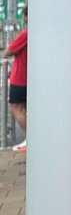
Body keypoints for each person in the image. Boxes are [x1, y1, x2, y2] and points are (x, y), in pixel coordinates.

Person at [3, 9, 26, 153]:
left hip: (19, 78)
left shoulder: (25, 35)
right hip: (26, 77)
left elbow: (8, 52)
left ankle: (31, 138)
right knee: (22, 108)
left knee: (16, 108)